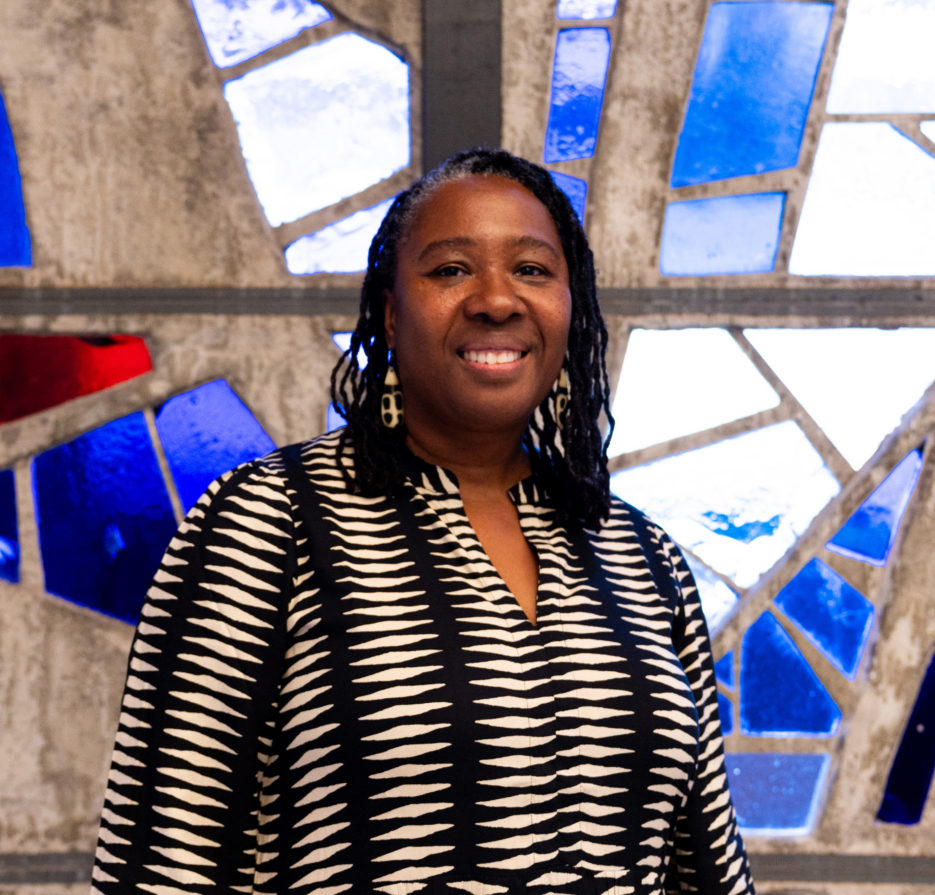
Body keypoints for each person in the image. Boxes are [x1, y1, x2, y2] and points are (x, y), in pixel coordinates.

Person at [92, 149, 755, 895]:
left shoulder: (641, 556)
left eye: (532, 270)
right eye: (450, 270)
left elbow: (709, 870)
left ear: (571, 309)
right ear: (388, 310)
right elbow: (158, 865)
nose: (495, 300)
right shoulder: (268, 520)